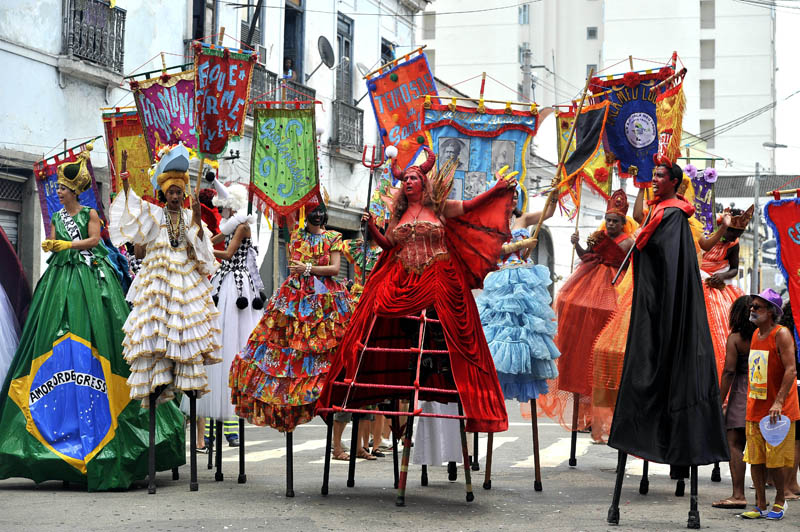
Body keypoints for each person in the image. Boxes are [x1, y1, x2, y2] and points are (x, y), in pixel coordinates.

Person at [0, 147, 184, 490]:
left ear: (75, 191)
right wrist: (54, 246)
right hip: (59, 281)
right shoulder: (57, 218)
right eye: (57, 189)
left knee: (105, 338)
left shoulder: (90, 214)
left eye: (62, 189)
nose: (58, 192)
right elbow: (59, 239)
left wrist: (65, 247)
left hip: (89, 279)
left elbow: (95, 241)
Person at [317, 145, 514, 434]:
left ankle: (447, 380)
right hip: (402, 279)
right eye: (404, 179)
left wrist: (496, 190)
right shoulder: (398, 215)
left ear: (424, 182)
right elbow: (389, 245)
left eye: (413, 178)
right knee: (378, 323)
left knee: (447, 337)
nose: (408, 182)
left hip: (440, 278)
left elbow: (470, 207)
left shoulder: (440, 207)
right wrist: (372, 227)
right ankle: (400, 382)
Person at [608, 161, 729, 512]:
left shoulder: (676, 216)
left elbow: (688, 256)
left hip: (669, 309)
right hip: (651, 303)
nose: (656, 181)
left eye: (661, 176)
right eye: (655, 176)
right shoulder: (657, 212)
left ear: (675, 183)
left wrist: (723, 228)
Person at [229, 194, 353, 438]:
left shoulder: (334, 238)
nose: (317, 214)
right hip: (295, 299)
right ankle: (288, 401)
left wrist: (308, 268)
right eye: (313, 210)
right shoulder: (296, 238)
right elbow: (293, 265)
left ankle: (325, 400)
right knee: (288, 350)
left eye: (320, 210)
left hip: (328, 301)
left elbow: (335, 269)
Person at [110, 143, 222, 404]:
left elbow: (203, 251)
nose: (174, 195)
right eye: (171, 191)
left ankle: (187, 382)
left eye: (178, 191)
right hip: (159, 283)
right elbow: (132, 207)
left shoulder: (188, 216)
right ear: (163, 192)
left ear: (183, 194)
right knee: (157, 334)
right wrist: (125, 176)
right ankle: (159, 381)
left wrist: (196, 220)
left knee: (186, 334)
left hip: (184, 284)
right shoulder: (155, 214)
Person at [545, 189, 634, 443]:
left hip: (614, 289)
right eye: (608, 220)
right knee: (568, 302)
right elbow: (587, 257)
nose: (611, 224)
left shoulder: (628, 243)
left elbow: (629, 269)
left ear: (623, 222)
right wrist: (577, 245)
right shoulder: (599, 236)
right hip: (590, 283)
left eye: (615, 221)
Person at [194, 180, 264, 450]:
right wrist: (198, 241)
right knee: (218, 351)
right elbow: (211, 241)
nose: (219, 211)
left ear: (230, 208)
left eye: (222, 208)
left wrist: (202, 250)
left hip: (237, 288)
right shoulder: (230, 225)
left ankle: (232, 422)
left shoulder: (243, 227)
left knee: (233, 348)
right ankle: (213, 424)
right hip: (224, 284)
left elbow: (227, 251)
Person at [478, 184, 559, 403]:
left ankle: (526, 372)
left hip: (524, 279)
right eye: (509, 196)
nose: (513, 200)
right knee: (502, 330)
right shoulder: (491, 222)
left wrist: (555, 193)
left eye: (516, 197)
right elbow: (491, 252)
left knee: (526, 331)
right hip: (502, 278)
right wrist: (522, 244)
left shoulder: (522, 220)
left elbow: (548, 213)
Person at [738, 289, 799, 520]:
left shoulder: (781, 334)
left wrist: (779, 401)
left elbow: (791, 369)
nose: (752, 310)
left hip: (779, 410)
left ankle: (780, 501)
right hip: (756, 407)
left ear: (771, 312)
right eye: (752, 306)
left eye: (758, 307)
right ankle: (760, 504)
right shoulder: (755, 335)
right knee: (755, 458)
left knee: (776, 460)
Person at [712, 296, 756, 509]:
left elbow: (729, 371)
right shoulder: (766, 335)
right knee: (760, 443)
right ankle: (767, 496)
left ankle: (738, 494)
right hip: (763, 390)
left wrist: (719, 400)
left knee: (735, 442)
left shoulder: (736, 338)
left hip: (741, 391)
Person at [701, 207, 752, 377]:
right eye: (732, 232)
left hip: (719, 284)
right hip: (699, 280)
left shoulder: (733, 245)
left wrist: (722, 276)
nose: (735, 237)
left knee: (722, 319)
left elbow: (734, 268)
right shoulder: (705, 236)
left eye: (739, 233)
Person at [778, 301, 800, 500]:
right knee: (794, 439)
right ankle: (789, 484)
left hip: (788, 389)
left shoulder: (783, 334)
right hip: (794, 389)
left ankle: (785, 482)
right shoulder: (791, 337)